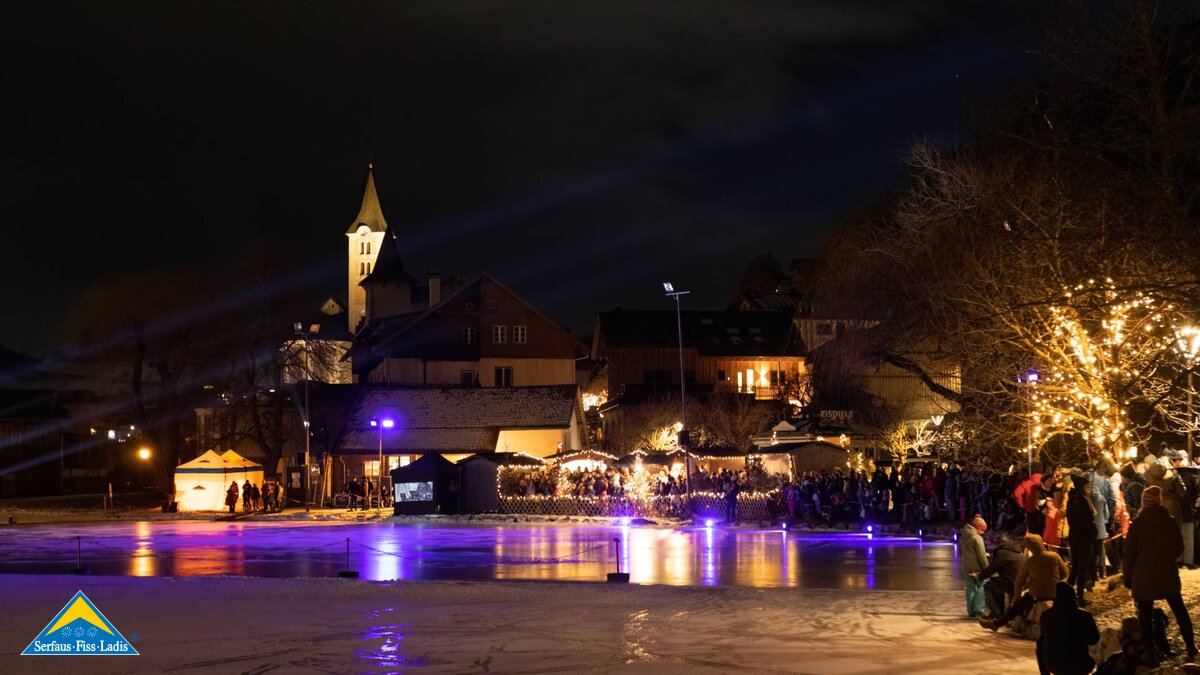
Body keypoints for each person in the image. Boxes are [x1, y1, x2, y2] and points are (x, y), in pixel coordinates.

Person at [1123, 485, 1198, 663]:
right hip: (1167, 573)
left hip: (1143, 576)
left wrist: (1128, 577)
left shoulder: (1138, 524)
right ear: (1160, 501)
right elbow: (1179, 548)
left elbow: (1129, 554)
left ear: (1144, 502)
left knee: (1145, 617)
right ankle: (1191, 645)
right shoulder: (1170, 521)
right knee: (1179, 610)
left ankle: (1149, 653)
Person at [981, 534, 1069, 631]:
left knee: (1015, 608)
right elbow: (1065, 573)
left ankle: (996, 624)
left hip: (1036, 595)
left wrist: (1016, 598)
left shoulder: (1029, 562)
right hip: (1054, 593)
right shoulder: (1054, 556)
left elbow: (1019, 582)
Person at [1037, 581, 1099, 675]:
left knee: (1041, 642)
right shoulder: (1084, 616)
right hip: (1079, 665)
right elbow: (1093, 639)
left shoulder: (1046, 615)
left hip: (1053, 664)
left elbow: (1043, 641)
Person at [1067, 472, 1098, 606]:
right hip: (1084, 537)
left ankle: (1066, 593)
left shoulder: (1071, 499)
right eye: (1087, 486)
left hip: (1075, 536)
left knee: (1076, 567)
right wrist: (1093, 533)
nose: (1088, 488)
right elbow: (1087, 521)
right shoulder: (1082, 501)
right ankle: (1079, 597)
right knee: (1082, 567)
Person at [976, 535, 1024, 619]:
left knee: (989, 586)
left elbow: (993, 568)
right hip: (1019, 582)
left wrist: (980, 576)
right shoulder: (1019, 551)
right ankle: (1000, 611)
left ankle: (996, 612)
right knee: (998, 584)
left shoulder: (1003, 552)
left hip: (1011, 582)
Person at [960, 514, 989, 617]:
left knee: (970, 588)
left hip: (967, 567)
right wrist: (987, 570)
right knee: (981, 587)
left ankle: (970, 611)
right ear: (978, 528)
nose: (983, 533)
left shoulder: (962, 537)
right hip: (978, 568)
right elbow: (982, 557)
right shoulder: (977, 538)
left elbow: (960, 552)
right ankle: (978, 610)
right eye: (983, 530)